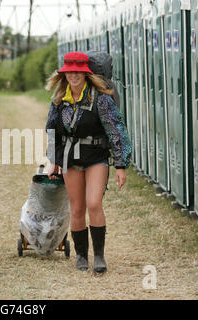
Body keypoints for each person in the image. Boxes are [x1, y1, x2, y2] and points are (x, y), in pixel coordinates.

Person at [45, 51, 132, 273]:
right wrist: (53, 160)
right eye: (70, 72)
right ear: (64, 74)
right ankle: (82, 256)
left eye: (78, 72)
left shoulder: (100, 99)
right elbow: (53, 131)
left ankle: (99, 256)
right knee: (77, 209)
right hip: (69, 158)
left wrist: (121, 165)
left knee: (93, 203)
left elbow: (117, 131)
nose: (74, 76)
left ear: (86, 74)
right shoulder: (59, 100)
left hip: (96, 157)